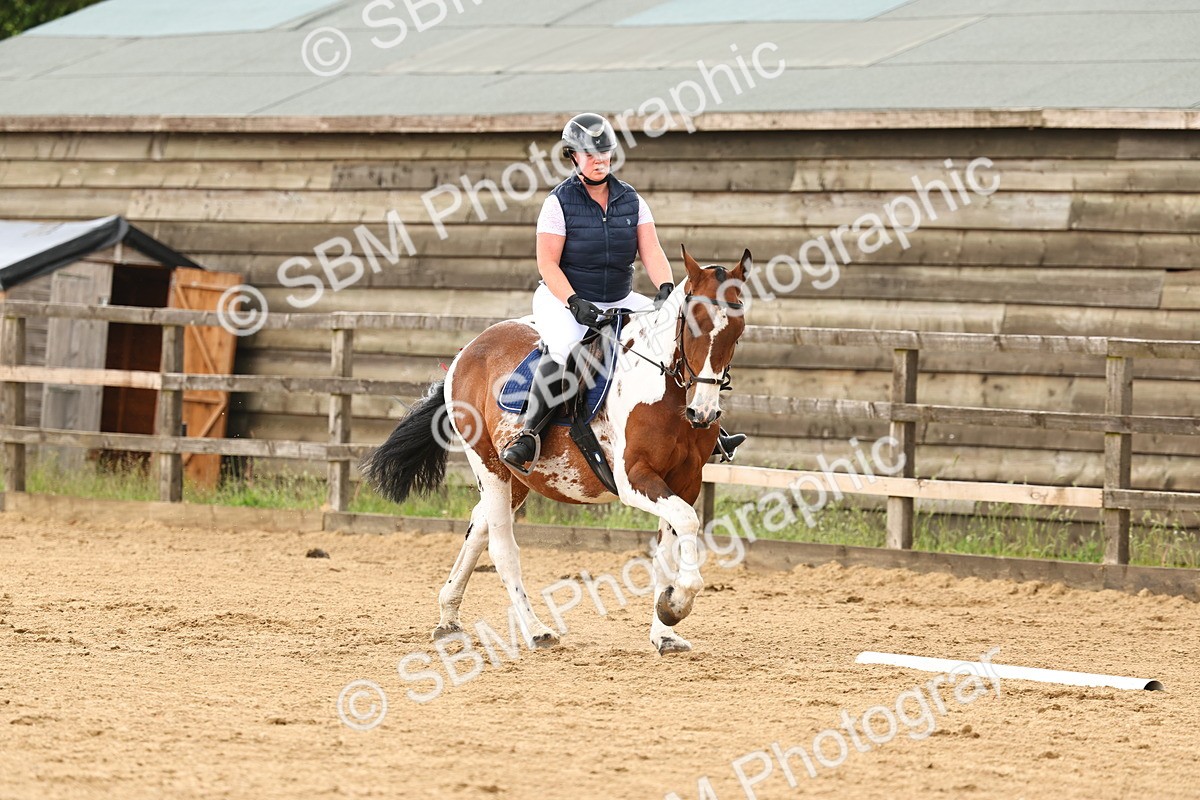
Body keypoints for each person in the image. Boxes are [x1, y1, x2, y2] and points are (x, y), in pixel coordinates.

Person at [500, 113, 746, 472]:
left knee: (671, 337)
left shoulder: (631, 199)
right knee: (567, 349)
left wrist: (664, 287)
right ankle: (529, 435)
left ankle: (707, 429)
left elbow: (651, 251)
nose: (600, 161)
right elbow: (548, 265)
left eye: (605, 154)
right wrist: (573, 302)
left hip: (619, 297)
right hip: (564, 298)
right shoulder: (558, 204)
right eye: (591, 154)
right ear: (573, 156)